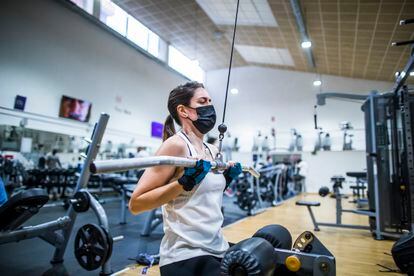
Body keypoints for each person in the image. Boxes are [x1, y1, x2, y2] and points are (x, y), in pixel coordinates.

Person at [128, 82, 242, 276]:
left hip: (217, 246)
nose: (209, 106)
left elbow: (200, 197)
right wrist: (183, 182)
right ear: (183, 111)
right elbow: (136, 204)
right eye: (202, 101)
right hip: (185, 255)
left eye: (210, 101)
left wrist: (226, 181)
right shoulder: (176, 146)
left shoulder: (212, 150)